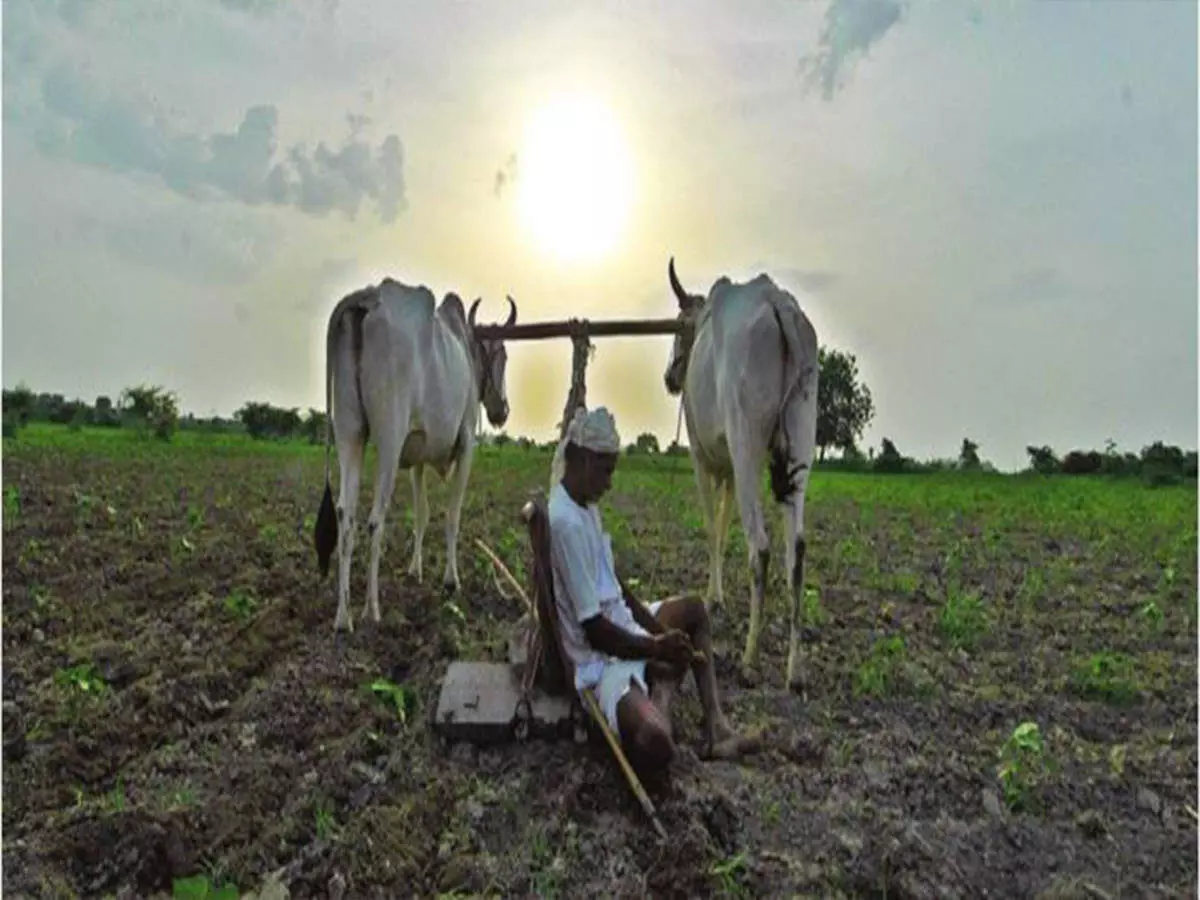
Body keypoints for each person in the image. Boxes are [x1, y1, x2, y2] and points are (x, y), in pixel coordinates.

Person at [547, 404, 759, 773]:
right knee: (656, 741)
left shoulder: (585, 507)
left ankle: (716, 728)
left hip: (623, 629)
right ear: (581, 459)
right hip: (601, 664)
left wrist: (659, 632)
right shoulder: (565, 522)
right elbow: (593, 631)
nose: (610, 483)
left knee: (694, 610)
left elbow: (616, 588)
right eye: (605, 471)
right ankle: (660, 686)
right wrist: (656, 646)